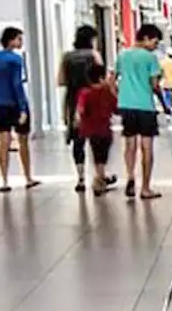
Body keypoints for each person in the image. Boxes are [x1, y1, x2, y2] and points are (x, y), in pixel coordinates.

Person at [115, 24, 165, 200]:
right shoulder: (150, 58)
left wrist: (119, 97)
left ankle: (130, 177)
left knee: (130, 144)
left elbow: (111, 79)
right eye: (154, 42)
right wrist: (163, 100)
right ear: (145, 38)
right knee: (146, 147)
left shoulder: (122, 55)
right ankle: (145, 187)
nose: (155, 46)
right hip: (145, 105)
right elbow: (154, 85)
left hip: (126, 105)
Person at [0, 26, 38, 192]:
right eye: (19, 39)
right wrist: (23, 108)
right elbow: (17, 84)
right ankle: (28, 177)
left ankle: (4, 180)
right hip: (15, 104)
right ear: (11, 40)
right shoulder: (16, 60)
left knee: (4, 140)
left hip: (0, 103)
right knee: (23, 140)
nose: (21, 42)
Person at [58, 25, 108, 192]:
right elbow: (102, 77)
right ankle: (99, 176)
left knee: (77, 142)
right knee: (97, 140)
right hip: (93, 100)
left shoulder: (67, 57)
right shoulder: (94, 55)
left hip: (73, 100)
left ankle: (80, 178)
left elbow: (60, 81)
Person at [74, 64, 118, 195]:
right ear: (100, 78)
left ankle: (101, 177)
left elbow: (80, 109)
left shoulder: (85, 92)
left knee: (96, 154)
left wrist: (78, 120)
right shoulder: (106, 91)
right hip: (105, 129)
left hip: (90, 129)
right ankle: (99, 180)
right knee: (102, 155)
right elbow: (116, 108)